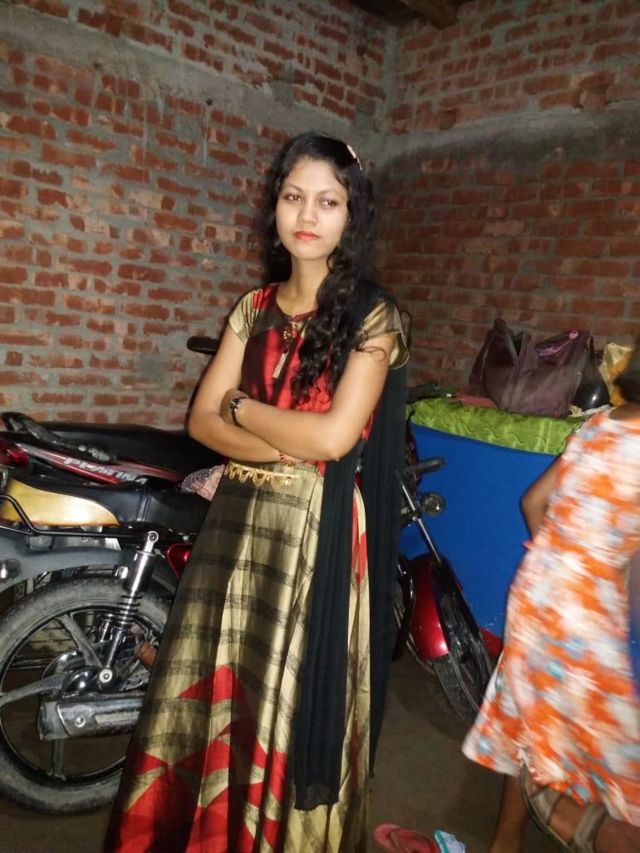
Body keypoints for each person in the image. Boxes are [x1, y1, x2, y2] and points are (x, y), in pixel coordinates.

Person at [104, 132, 409, 852]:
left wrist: (243, 408)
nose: (308, 215)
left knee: (288, 699)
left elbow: (333, 438)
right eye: (294, 196)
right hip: (237, 523)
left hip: (314, 535)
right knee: (216, 689)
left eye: (328, 202)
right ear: (274, 206)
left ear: (352, 215)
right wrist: (279, 441)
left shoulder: (375, 317)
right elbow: (201, 421)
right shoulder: (252, 307)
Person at [462, 339, 640, 853]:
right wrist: (596, 578)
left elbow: (533, 502)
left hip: (540, 588)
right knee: (611, 746)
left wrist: (563, 565)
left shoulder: (601, 423)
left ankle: (505, 843)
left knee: (531, 718)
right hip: (584, 608)